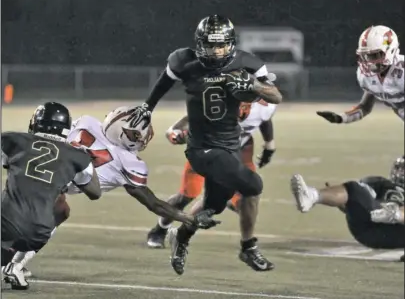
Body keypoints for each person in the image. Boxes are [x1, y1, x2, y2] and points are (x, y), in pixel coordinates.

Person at [136, 14, 284, 275]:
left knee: (213, 203)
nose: (216, 52)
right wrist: (147, 108)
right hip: (201, 148)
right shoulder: (184, 61)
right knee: (253, 184)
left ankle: (180, 237)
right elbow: (162, 84)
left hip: (229, 147)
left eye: (222, 45)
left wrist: (253, 84)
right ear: (199, 43)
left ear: (231, 43)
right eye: (210, 46)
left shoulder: (247, 63)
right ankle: (248, 247)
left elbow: (276, 96)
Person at [11, 106, 220, 280]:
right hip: (54, 183)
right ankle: (13, 263)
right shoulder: (128, 162)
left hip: (41, 176)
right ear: (118, 127)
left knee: (56, 211)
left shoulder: (87, 122)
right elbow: (152, 203)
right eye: (134, 135)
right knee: (53, 212)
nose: (138, 141)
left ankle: (14, 264)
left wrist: (186, 218)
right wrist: (186, 218)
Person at [147, 100, 277, 248]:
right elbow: (177, 128)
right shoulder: (220, 99)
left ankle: (246, 244)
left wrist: (269, 143)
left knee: (245, 203)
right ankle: (160, 229)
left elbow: (264, 117)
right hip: (206, 152)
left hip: (237, 154)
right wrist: (176, 135)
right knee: (186, 196)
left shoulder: (265, 103)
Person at [1, 102, 102, 290]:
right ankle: (14, 265)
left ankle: (7, 259)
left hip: (6, 225)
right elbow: (95, 193)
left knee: (10, 201)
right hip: (39, 234)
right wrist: (88, 160)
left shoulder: (12, 140)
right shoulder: (76, 156)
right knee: (62, 208)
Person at [290, 156, 404, 261]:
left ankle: (394, 214)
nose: (402, 173)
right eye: (401, 169)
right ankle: (312, 196)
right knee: (354, 188)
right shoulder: (381, 183)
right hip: (369, 224)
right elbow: (357, 201)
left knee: (358, 192)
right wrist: (343, 201)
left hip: (397, 232)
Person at [317, 25, 404, 124]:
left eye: (374, 55)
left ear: (390, 51)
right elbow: (365, 107)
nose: (370, 62)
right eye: (367, 56)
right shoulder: (366, 77)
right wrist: (340, 118)